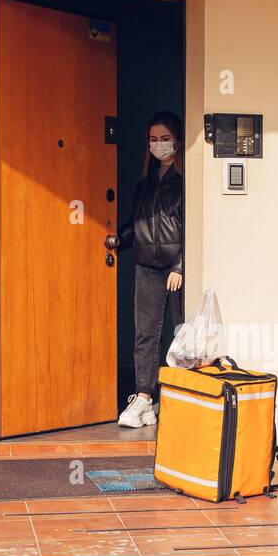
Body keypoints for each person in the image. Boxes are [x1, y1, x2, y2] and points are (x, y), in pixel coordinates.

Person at [106, 111, 185, 428]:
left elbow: (191, 224)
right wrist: (118, 239)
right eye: (153, 139)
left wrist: (180, 264)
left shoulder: (184, 182)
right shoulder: (145, 183)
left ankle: (182, 400)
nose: (159, 144)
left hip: (175, 269)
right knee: (146, 336)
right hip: (147, 267)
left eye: (165, 139)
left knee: (182, 336)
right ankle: (144, 400)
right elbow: (138, 223)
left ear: (177, 141)